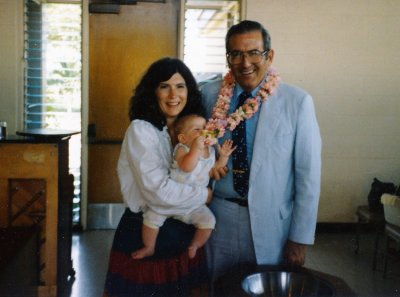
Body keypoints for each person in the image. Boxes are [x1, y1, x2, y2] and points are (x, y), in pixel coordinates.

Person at [201, 20, 322, 284]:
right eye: (236, 54)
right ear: (228, 58)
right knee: (218, 287)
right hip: (217, 217)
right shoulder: (209, 95)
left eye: (254, 52)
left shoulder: (297, 102)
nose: (245, 63)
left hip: (272, 224)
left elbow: (308, 177)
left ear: (270, 55)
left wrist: (299, 239)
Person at [104, 57, 212, 297]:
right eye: (164, 86)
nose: (174, 94)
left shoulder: (193, 131)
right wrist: (204, 194)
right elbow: (158, 193)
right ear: (153, 91)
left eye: (180, 86)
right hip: (144, 231)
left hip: (184, 231)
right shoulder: (142, 130)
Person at [132, 114, 235, 260]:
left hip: (192, 204)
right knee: (151, 218)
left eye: (205, 128)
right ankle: (149, 247)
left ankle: (195, 245)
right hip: (170, 200)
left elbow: (214, 170)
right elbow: (187, 167)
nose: (203, 133)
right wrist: (195, 149)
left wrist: (223, 157)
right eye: (197, 130)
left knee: (209, 220)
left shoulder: (210, 151)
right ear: (183, 138)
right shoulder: (182, 149)